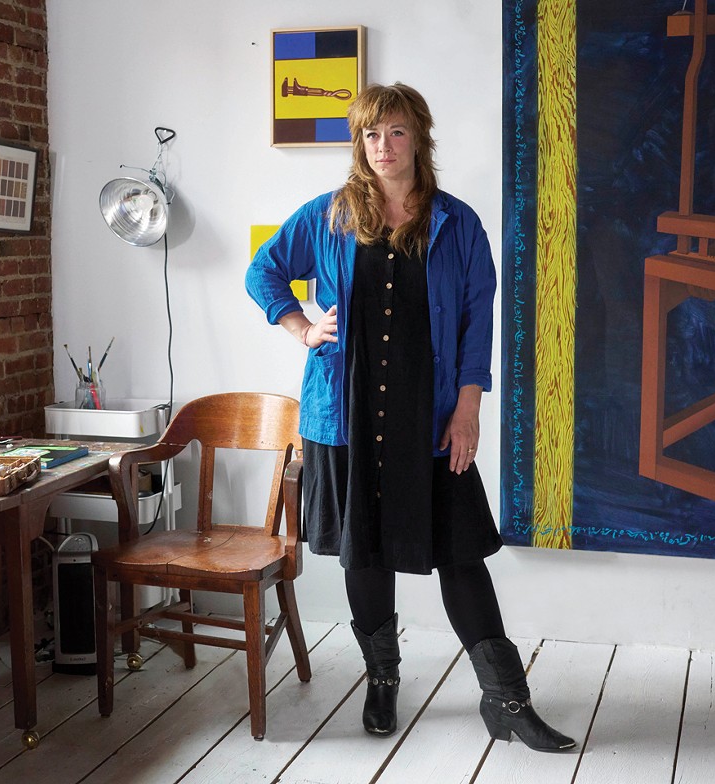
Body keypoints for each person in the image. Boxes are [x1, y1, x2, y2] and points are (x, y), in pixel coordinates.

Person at [245, 82, 574, 752]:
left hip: (430, 417)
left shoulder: (456, 223)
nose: (383, 147)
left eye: (395, 132)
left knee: (460, 555)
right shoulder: (331, 216)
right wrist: (302, 327)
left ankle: (507, 698)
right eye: (371, 134)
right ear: (358, 144)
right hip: (346, 415)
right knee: (364, 555)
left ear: (419, 137)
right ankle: (383, 679)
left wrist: (468, 409)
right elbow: (264, 272)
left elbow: (480, 321)